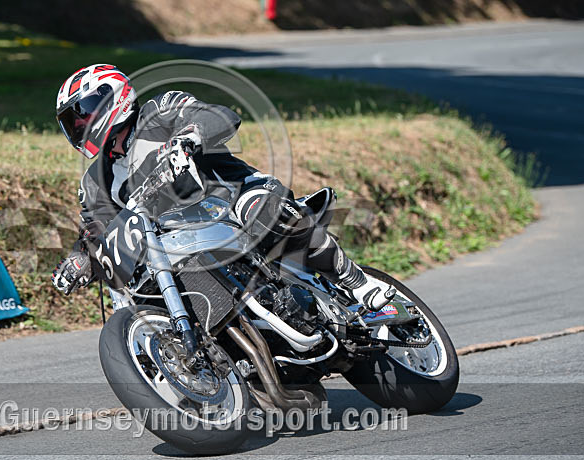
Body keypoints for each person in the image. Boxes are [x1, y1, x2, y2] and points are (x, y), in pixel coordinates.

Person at [51, 64, 394, 312]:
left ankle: (357, 282)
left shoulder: (161, 110)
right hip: (175, 243)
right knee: (138, 289)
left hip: (232, 198)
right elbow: (98, 229)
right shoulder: (96, 180)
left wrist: (188, 138)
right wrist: (81, 259)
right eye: (73, 122)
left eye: (84, 113)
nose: (81, 125)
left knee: (259, 208)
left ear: (114, 96)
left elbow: (221, 116)